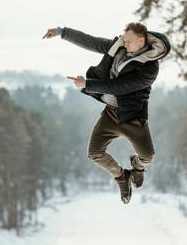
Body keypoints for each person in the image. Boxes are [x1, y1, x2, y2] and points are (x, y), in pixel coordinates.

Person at [42, 22, 171, 204]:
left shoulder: (150, 68)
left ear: (141, 40)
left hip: (132, 116)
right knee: (94, 153)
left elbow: (120, 87)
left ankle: (137, 166)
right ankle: (122, 176)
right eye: (124, 39)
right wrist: (62, 32)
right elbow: (92, 42)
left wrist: (88, 84)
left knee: (147, 156)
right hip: (110, 113)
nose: (124, 44)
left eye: (128, 41)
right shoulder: (119, 47)